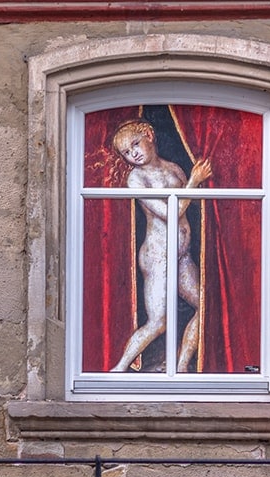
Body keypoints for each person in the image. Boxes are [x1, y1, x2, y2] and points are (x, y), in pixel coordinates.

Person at [106, 120, 213, 373]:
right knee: (158, 322)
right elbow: (171, 212)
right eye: (127, 153)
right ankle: (118, 369)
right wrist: (193, 183)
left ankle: (181, 366)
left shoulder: (174, 168)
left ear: (149, 135)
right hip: (158, 255)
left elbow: (189, 206)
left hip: (181, 254)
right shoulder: (136, 179)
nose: (134, 154)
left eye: (135, 144)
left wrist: (191, 183)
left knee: (204, 305)